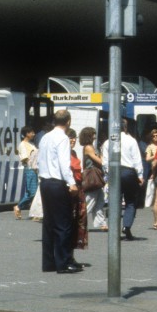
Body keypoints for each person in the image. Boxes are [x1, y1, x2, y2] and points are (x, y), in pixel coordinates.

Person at [37, 110, 81, 274]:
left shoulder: (45, 137)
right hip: (57, 183)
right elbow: (64, 164)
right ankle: (63, 262)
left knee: (49, 223)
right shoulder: (62, 138)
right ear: (68, 121)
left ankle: (49, 262)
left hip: (45, 182)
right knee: (63, 224)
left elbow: (40, 160)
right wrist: (72, 183)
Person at [102, 117, 145, 240]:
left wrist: (107, 175)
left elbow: (105, 161)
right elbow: (137, 159)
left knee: (114, 201)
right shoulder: (131, 140)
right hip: (128, 172)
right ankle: (126, 226)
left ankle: (113, 228)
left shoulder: (107, 142)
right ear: (125, 127)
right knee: (131, 201)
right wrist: (140, 175)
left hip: (114, 172)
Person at [79, 127, 105, 231]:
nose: (95, 136)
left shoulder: (90, 146)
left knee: (99, 201)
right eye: (93, 134)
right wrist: (103, 154)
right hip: (92, 176)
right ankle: (79, 222)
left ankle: (101, 223)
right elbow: (100, 161)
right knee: (89, 201)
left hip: (95, 177)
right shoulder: (88, 147)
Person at [68, 128, 89, 253]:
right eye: (70, 137)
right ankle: (67, 254)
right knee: (70, 221)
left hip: (78, 188)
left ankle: (72, 252)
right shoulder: (64, 153)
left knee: (79, 221)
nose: (73, 140)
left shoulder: (74, 153)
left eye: (74, 137)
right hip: (71, 189)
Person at [14, 125, 38, 220]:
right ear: (26, 134)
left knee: (31, 192)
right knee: (32, 192)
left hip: (34, 169)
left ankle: (34, 213)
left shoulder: (31, 145)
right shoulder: (23, 145)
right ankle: (19, 206)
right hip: (30, 169)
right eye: (31, 132)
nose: (33, 134)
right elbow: (25, 158)